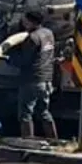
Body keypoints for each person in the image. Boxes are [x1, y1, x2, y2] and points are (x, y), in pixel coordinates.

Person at [6, 11, 59, 140]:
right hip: (46, 80)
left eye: (25, 20)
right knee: (44, 111)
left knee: (25, 113)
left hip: (32, 79)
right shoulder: (48, 33)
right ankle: (53, 140)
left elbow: (24, 60)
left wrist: (10, 58)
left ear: (30, 21)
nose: (23, 23)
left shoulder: (33, 38)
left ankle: (27, 140)